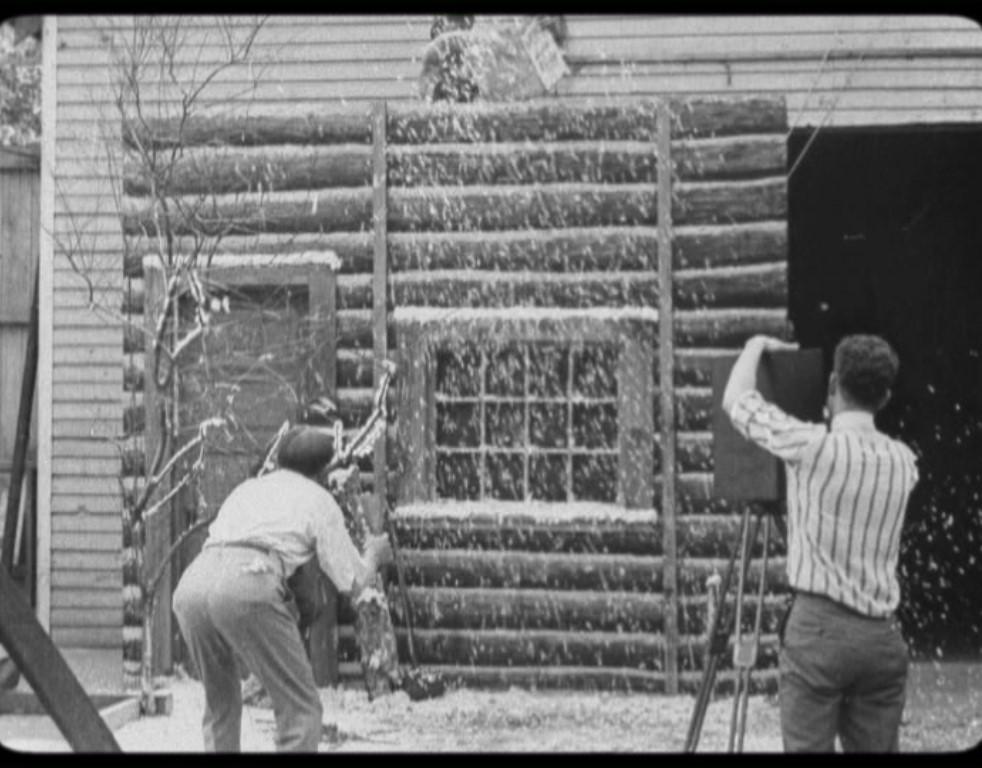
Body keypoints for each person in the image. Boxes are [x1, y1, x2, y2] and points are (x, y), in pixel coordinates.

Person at [722, 333, 919, 753]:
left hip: (818, 631)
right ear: (885, 397)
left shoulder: (812, 446)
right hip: (881, 637)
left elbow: (737, 401)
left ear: (833, 383)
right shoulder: (904, 462)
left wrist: (755, 346)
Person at [172, 426, 393, 752]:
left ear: (279, 460)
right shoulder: (319, 499)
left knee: (221, 706)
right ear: (324, 470)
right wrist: (374, 554)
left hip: (193, 584)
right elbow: (352, 581)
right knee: (301, 711)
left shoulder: (249, 489)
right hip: (248, 579)